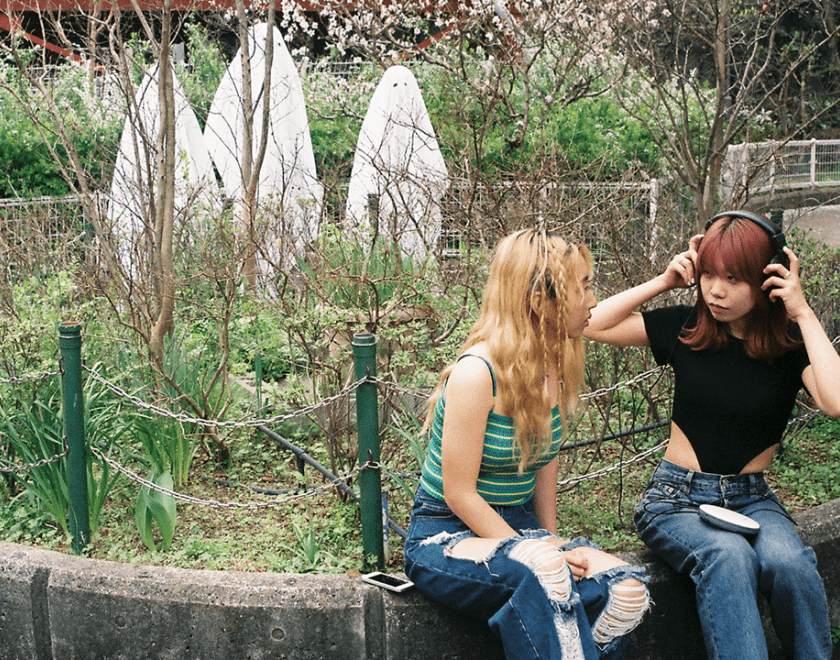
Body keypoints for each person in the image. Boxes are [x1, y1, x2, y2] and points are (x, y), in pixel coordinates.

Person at [584, 210, 840, 660]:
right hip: (675, 498)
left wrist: (801, 311)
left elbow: (836, 403)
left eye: (734, 278)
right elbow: (591, 323)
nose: (716, 290)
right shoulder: (687, 328)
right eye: (708, 275)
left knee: (791, 565)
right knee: (728, 557)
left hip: (752, 499)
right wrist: (664, 282)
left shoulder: (789, 345)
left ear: (768, 280)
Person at [403, 228, 650, 660]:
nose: (593, 300)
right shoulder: (477, 373)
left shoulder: (553, 360)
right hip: (443, 533)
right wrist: (541, 553)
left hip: (519, 528)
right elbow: (458, 494)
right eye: (585, 287)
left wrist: (547, 539)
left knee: (626, 592)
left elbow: (545, 463)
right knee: (544, 570)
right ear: (541, 302)